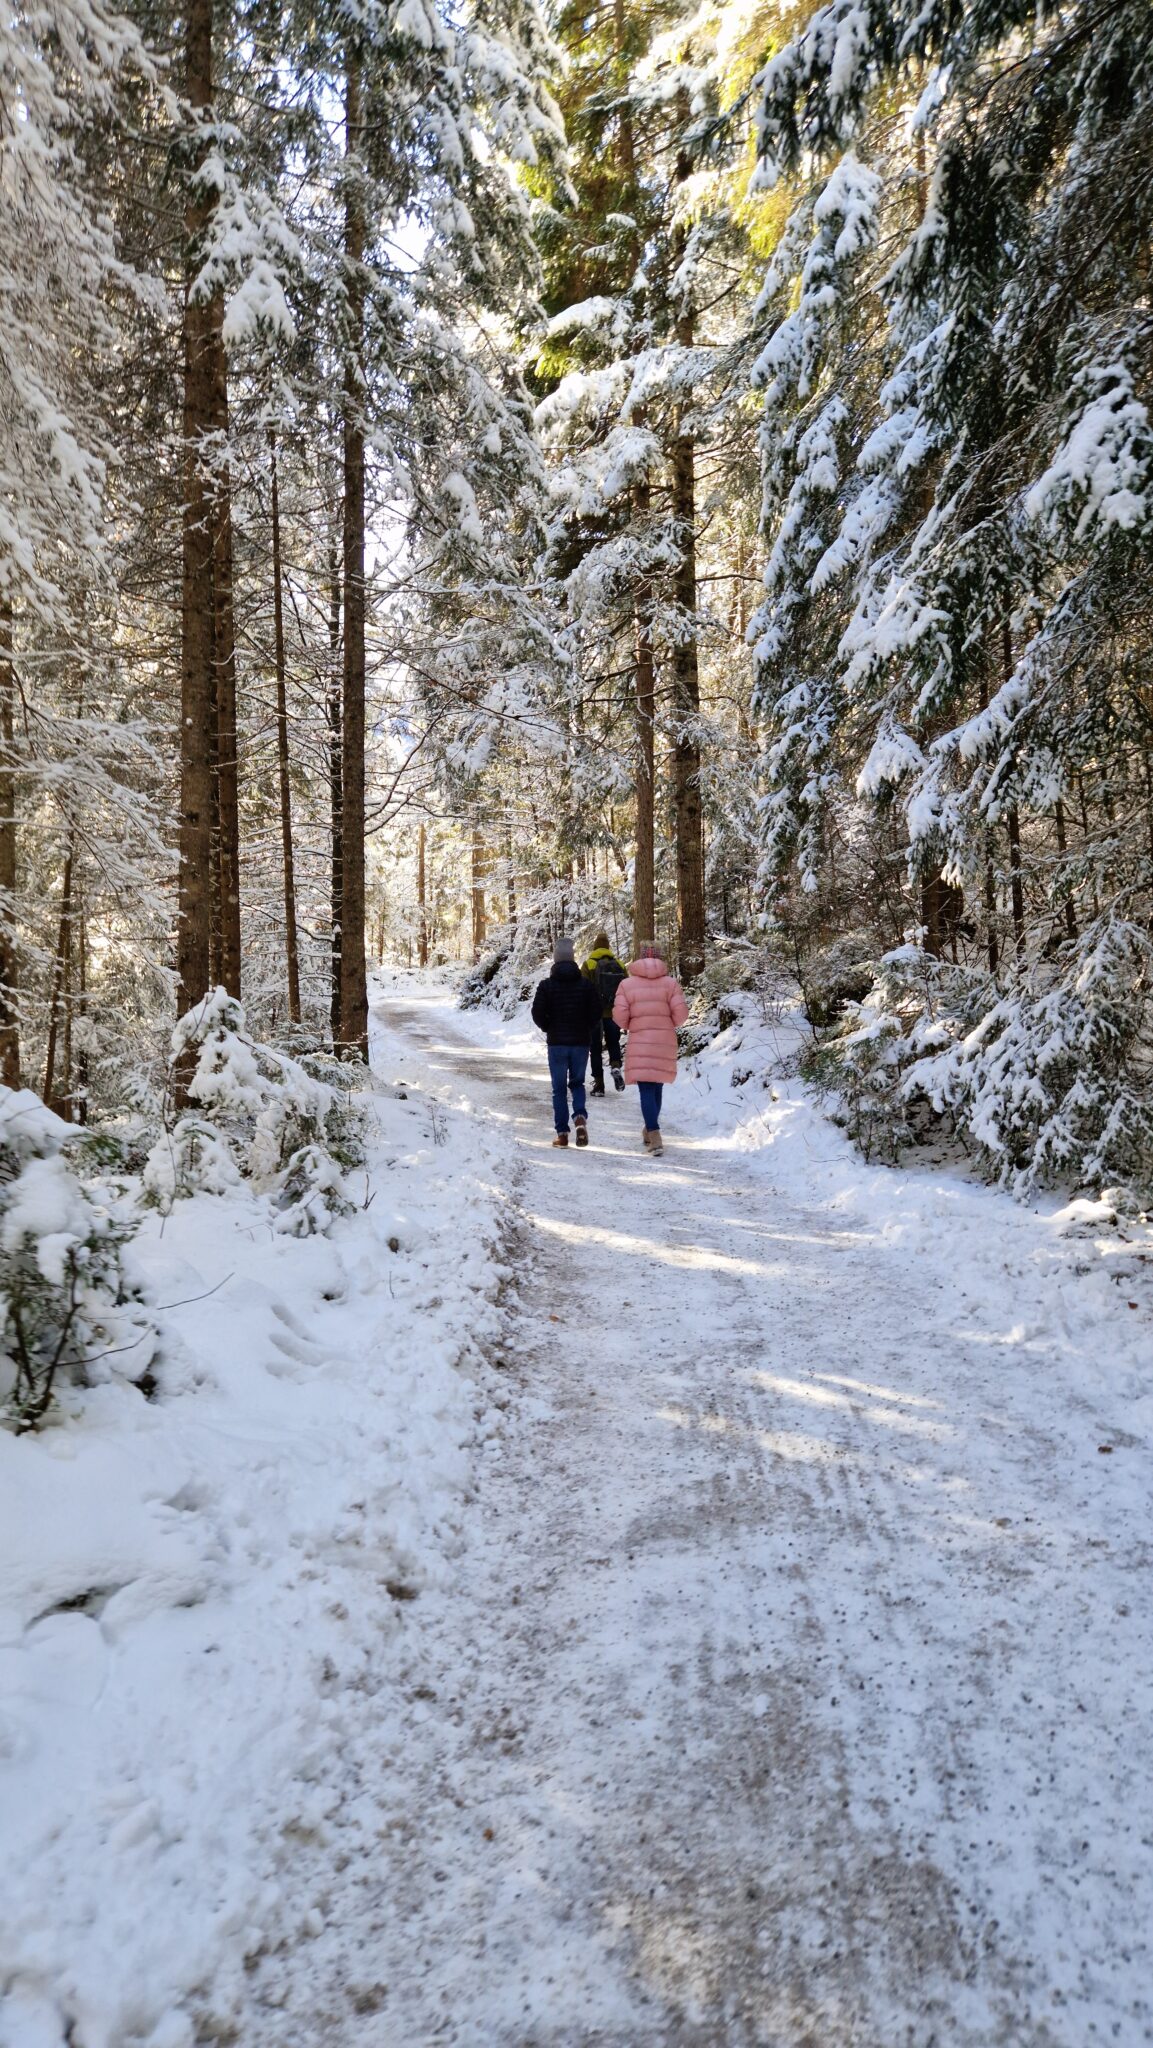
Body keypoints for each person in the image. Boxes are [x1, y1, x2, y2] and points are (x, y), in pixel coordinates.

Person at [612, 940, 689, 1156]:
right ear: (660, 958)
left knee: (646, 1088)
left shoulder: (627, 985)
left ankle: (654, 1135)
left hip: (640, 1038)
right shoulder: (671, 983)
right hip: (664, 1039)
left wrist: (631, 1025)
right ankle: (649, 1129)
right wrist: (666, 1023)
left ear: (640, 957)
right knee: (656, 1086)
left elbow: (619, 1015)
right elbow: (681, 1015)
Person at [531, 937, 603, 1148]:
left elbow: (536, 1012)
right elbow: (596, 1012)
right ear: (572, 959)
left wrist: (548, 1027)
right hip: (580, 1042)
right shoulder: (586, 985)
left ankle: (562, 1134)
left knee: (559, 1089)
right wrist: (586, 1028)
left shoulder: (546, 985)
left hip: (557, 1044)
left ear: (555, 959)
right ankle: (580, 1117)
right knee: (578, 1083)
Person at [582, 931, 628, 1095]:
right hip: (613, 1013)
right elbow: (626, 990)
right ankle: (615, 1065)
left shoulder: (589, 964)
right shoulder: (620, 965)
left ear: (595, 947)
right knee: (613, 1043)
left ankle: (599, 1085)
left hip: (595, 1014)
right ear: (608, 947)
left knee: (595, 1048)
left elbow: (583, 989)